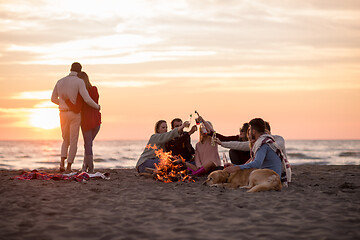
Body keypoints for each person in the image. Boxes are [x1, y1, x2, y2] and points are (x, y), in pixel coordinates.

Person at [51, 62, 100, 173]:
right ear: (79, 71)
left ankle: (61, 164)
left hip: (62, 113)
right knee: (73, 141)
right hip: (74, 114)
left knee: (65, 140)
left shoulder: (60, 81)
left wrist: (63, 104)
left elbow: (53, 99)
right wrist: (97, 106)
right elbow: (86, 99)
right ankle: (69, 167)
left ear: (70, 69)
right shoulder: (79, 81)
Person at [222, 118, 291, 186]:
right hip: (273, 177)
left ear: (253, 131)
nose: (248, 133)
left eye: (249, 130)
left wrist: (236, 168)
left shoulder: (262, 144)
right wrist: (234, 166)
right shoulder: (267, 141)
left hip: (270, 178)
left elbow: (257, 164)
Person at [62, 71, 101, 173]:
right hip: (97, 121)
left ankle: (90, 167)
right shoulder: (94, 89)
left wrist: (66, 101)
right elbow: (95, 102)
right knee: (88, 144)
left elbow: (76, 108)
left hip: (87, 122)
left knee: (88, 144)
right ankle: (85, 166)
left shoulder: (81, 94)